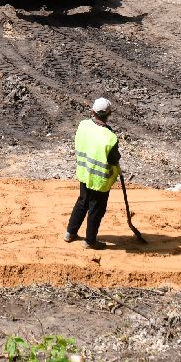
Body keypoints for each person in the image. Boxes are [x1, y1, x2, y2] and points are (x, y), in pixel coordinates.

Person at [65, 97, 121, 250]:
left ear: (92, 112)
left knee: (82, 202)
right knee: (96, 209)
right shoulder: (110, 137)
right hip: (99, 180)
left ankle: (70, 232)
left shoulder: (83, 125)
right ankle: (90, 241)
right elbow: (114, 158)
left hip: (84, 172)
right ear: (109, 114)